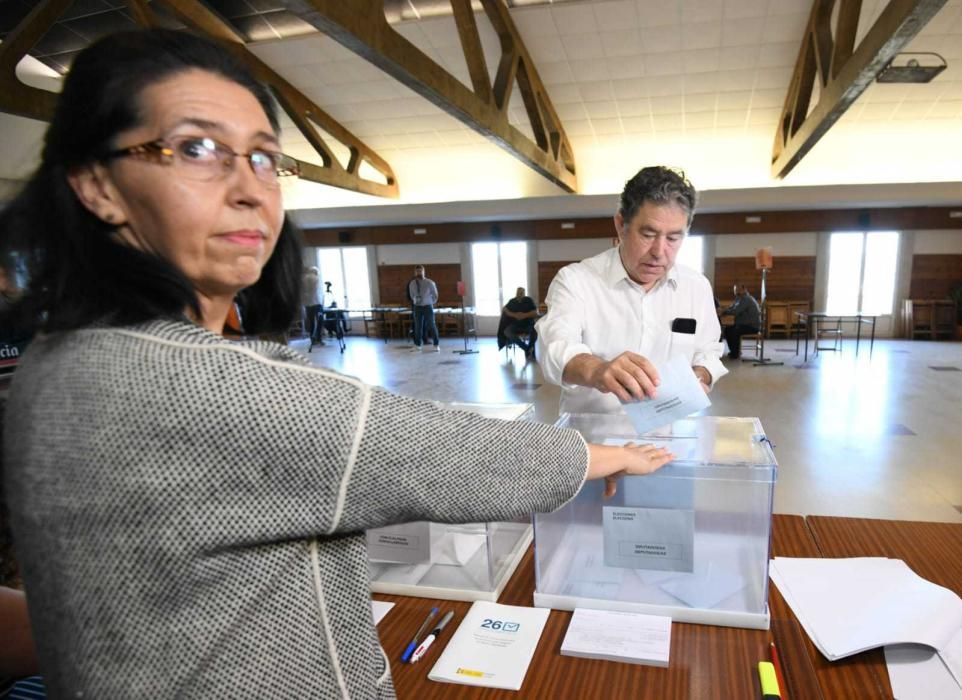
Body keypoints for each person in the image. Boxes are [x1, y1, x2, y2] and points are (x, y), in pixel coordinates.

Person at [0, 29, 674, 699]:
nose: (248, 189)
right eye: (197, 149)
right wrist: (604, 457)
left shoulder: (54, 366)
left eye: (265, 159)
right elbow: (442, 455)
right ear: (96, 184)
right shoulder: (198, 384)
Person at [537, 166, 727, 414]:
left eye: (673, 238)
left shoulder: (696, 287)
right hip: (596, 441)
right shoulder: (576, 281)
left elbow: (709, 351)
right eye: (648, 234)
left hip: (672, 436)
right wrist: (597, 370)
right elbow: (555, 347)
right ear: (620, 225)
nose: (659, 252)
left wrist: (699, 375)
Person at [720, 283, 761, 359]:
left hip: (752, 326)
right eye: (735, 290)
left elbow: (736, 311)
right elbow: (731, 307)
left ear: (744, 289)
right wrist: (724, 310)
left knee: (734, 331)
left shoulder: (746, 299)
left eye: (738, 290)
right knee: (727, 329)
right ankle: (735, 351)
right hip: (744, 325)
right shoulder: (739, 298)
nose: (736, 292)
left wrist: (723, 312)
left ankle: (735, 353)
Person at [497, 286, 539, 358]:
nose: (520, 294)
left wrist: (524, 315)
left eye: (522, 292)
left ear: (524, 293)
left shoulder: (528, 300)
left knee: (535, 330)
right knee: (507, 331)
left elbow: (535, 312)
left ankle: (530, 348)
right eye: (519, 292)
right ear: (516, 292)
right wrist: (515, 315)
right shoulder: (512, 301)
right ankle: (526, 348)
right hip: (516, 325)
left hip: (528, 323)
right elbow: (504, 309)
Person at [407, 264, 439, 352]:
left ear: (424, 272)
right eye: (417, 271)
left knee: (431, 325)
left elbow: (435, 295)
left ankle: (436, 344)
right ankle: (418, 345)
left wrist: (430, 302)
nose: (419, 273)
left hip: (428, 307)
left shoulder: (430, 282)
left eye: (420, 271)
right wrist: (416, 301)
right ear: (415, 272)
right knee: (418, 327)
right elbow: (411, 295)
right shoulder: (412, 283)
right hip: (417, 307)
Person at [301, 265, 321, 343]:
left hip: (307, 303)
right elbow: (318, 291)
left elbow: (302, 292)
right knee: (320, 320)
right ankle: (319, 337)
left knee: (311, 321)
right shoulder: (316, 278)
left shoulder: (303, 279)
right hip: (316, 302)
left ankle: (312, 338)